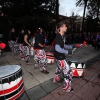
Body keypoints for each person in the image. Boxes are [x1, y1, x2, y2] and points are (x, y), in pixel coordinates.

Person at [53, 21, 74, 92]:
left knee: (59, 69)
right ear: (61, 27)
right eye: (65, 26)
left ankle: (55, 80)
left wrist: (72, 47)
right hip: (60, 58)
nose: (66, 27)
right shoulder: (59, 37)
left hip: (57, 57)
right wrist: (68, 52)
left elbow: (63, 46)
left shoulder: (61, 37)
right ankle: (66, 88)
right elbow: (57, 48)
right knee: (69, 72)